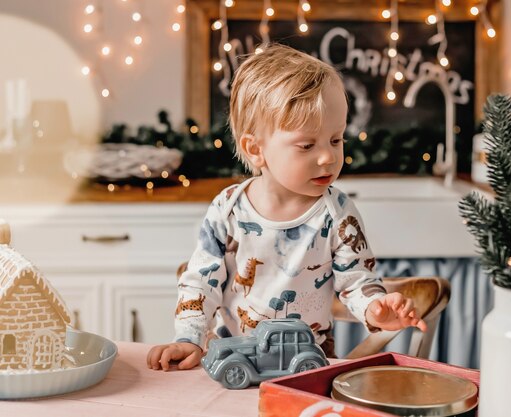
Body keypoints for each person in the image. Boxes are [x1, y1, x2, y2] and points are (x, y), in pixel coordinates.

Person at [147, 44, 427, 371]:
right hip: (232, 356)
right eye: (307, 145)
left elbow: (355, 281)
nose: (328, 157)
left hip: (305, 363)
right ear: (256, 149)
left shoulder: (337, 212)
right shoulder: (229, 209)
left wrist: (375, 307)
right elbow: (200, 282)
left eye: (336, 140)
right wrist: (188, 339)